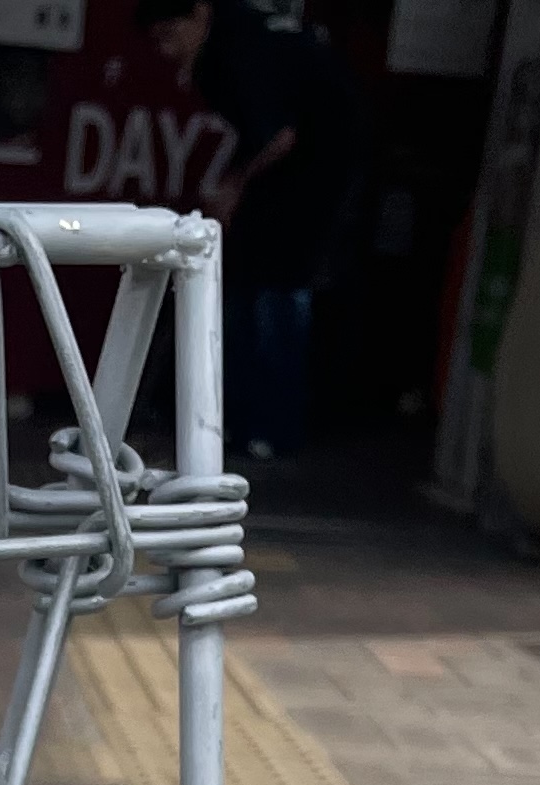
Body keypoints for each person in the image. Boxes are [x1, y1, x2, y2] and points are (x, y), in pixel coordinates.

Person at [186, 0, 366, 459]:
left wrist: (234, 185)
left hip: (311, 185)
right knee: (248, 297)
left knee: (278, 302)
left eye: (170, 34)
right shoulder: (245, 45)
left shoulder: (243, 53)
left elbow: (281, 135)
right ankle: (240, 422)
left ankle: (273, 426)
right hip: (285, 185)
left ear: (199, 17)